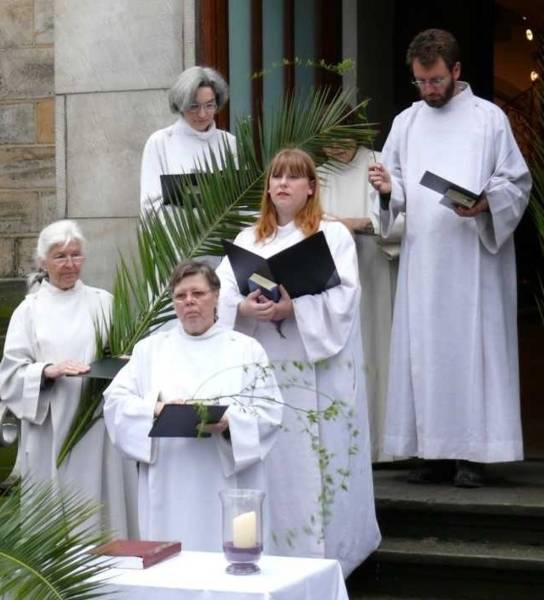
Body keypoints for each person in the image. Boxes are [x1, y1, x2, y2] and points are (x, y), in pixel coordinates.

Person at [368, 29, 531, 487]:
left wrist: (484, 202)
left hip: (473, 257)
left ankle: (473, 454)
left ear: (456, 71)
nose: (429, 89)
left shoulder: (488, 119)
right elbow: (396, 185)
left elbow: (515, 181)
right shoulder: (407, 122)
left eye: (436, 79)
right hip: (424, 259)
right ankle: (431, 451)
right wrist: (386, 189)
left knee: (472, 350)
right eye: (421, 81)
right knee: (425, 350)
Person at [217, 148, 380, 576]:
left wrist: (296, 309)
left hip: (313, 368)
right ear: (267, 187)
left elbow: (345, 297)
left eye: (293, 178)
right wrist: (243, 310)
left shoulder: (331, 235)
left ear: (311, 188)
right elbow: (220, 295)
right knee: (273, 463)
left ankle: (325, 564)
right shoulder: (247, 239)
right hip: (264, 364)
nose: (283, 184)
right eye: (276, 177)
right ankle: (267, 556)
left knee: (316, 462)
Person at [103, 259, 282, 551]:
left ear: (216, 297)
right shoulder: (150, 349)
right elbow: (115, 403)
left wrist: (229, 423)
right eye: (181, 296)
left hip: (225, 477)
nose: (189, 302)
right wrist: (156, 409)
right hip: (169, 479)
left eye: (198, 294)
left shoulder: (246, 349)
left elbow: (270, 412)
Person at [0, 220, 137, 538]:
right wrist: (47, 371)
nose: (70, 264)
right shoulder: (29, 310)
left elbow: (122, 355)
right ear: (43, 262)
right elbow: (11, 375)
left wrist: (124, 361)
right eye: (60, 256)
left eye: (76, 255)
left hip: (96, 424)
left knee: (101, 511)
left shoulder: (103, 302)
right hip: (52, 426)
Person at [319, 136, 403, 461]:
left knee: (380, 348)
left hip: (376, 268)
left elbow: (403, 216)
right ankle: (351, 446)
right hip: (336, 276)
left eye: (341, 135)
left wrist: (353, 224)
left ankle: (386, 445)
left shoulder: (380, 162)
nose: (335, 145)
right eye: (328, 137)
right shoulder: (316, 174)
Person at [140, 66, 236, 215]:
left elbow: (242, 200)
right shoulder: (160, 143)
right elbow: (150, 206)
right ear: (181, 105)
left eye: (209, 105)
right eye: (194, 106)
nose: (202, 114)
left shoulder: (229, 143)